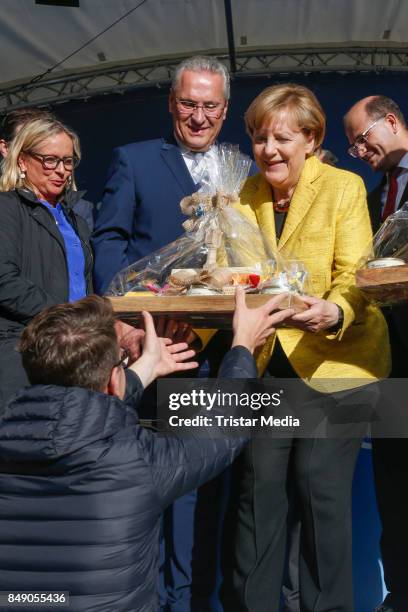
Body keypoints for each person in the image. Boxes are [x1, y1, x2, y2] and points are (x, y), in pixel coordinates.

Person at [0, 290, 293, 612]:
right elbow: (223, 429)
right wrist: (243, 347)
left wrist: (146, 368)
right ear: (115, 379)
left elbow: (80, 413)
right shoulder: (136, 462)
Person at [222, 83, 390, 612]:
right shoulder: (242, 196)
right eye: (258, 138)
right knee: (257, 494)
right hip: (268, 362)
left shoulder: (342, 188)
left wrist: (334, 311)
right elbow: (230, 279)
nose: (268, 149)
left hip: (339, 361)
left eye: (281, 138)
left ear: (312, 139)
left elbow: (356, 276)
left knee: (321, 494)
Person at [92, 55, 231, 295]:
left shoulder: (244, 170)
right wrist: (118, 308)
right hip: (151, 316)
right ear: (170, 103)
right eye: (188, 103)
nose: (199, 118)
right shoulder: (134, 161)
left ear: (225, 109)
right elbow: (110, 240)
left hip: (224, 321)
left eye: (210, 106)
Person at [344, 95, 408, 612]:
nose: (358, 150)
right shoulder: (370, 198)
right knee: (394, 480)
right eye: (352, 145)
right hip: (390, 364)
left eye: (363, 138)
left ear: (391, 121)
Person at [0, 116, 94, 409]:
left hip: (74, 351)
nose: (61, 170)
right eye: (50, 160)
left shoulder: (76, 220)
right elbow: (4, 280)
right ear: (23, 161)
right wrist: (62, 316)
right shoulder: (6, 208)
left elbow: (84, 285)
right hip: (23, 351)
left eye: (68, 161)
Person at [0, 107, 94, 230]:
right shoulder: (6, 205)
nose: (60, 170)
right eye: (25, 143)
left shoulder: (79, 209)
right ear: (5, 148)